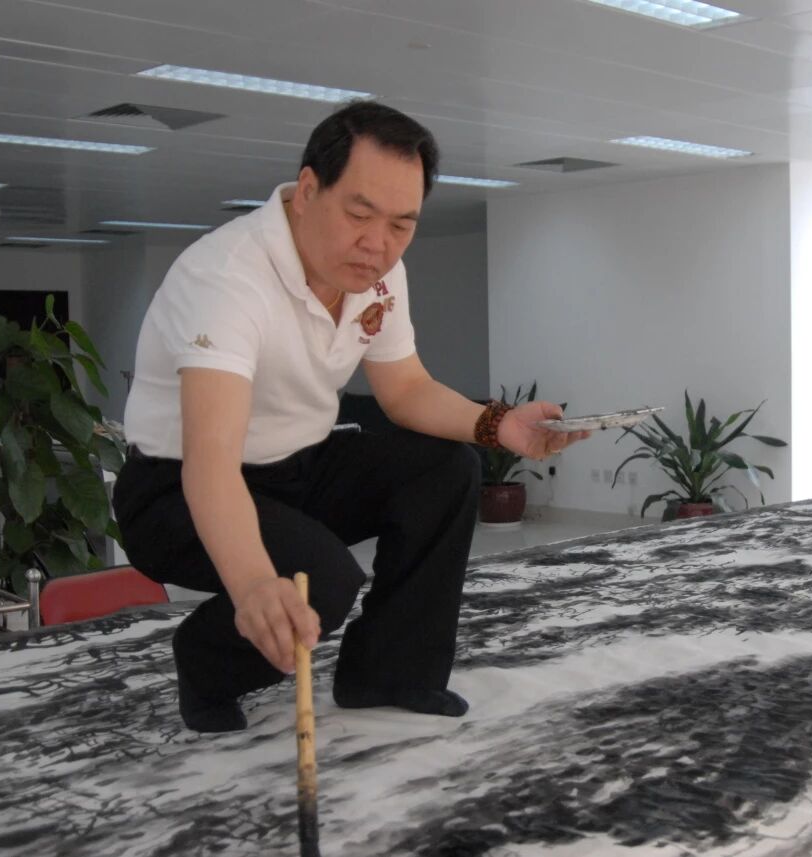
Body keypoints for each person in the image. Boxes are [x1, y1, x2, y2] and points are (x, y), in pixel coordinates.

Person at [112, 101, 589, 733]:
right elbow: (211, 463)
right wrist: (254, 586)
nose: (377, 244)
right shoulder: (226, 279)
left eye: (401, 225)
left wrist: (500, 425)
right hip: (176, 488)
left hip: (298, 465)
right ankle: (205, 660)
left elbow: (406, 390)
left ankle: (389, 673)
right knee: (320, 580)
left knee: (446, 469)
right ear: (309, 190)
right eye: (360, 215)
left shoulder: (378, 276)